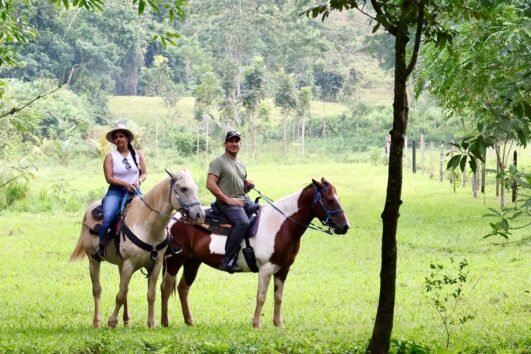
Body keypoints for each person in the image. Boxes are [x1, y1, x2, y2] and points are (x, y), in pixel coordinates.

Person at [93, 123, 147, 261]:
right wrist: (124, 183)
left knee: (151, 213)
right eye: (116, 137)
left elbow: (144, 173)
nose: (118, 139)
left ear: (127, 138)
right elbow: (109, 178)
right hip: (116, 192)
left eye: (121, 136)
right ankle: (100, 246)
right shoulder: (110, 157)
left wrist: (139, 181)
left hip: (135, 191)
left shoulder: (138, 155)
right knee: (109, 217)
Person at [206, 131, 256, 273]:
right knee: (243, 223)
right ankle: (227, 260)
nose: (234, 144)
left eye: (237, 141)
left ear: (240, 144)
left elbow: (241, 187)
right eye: (231, 141)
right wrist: (228, 199)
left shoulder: (240, 163)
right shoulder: (218, 162)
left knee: (261, 209)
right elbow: (210, 184)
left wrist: (247, 186)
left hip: (242, 200)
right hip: (226, 203)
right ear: (225, 144)